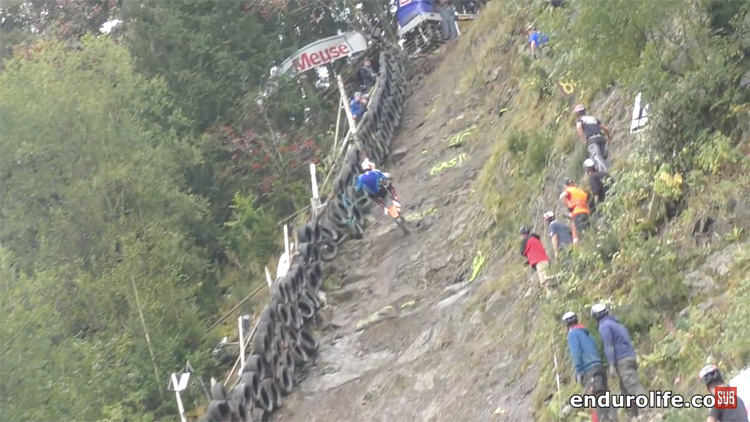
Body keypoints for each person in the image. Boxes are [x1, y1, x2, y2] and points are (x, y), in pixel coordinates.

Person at [591, 303, 647, 419]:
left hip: (622, 359)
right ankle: (633, 417)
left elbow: (609, 345)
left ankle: (649, 410)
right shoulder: (617, 324)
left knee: (632, 385)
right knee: (625, 390)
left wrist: (611, 364)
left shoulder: (604, 326)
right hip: (630, 357)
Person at [562, 312, 615, 422]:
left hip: (589, 371)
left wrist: (578, 370)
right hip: (599, 369)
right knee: (605, 402)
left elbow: (576, 353)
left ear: (567, 325)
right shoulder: (587, 333)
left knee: (597, 406)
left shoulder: (573, 334)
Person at [574, 104, 612, 172]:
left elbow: (579, 128)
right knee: (603, 157)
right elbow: (605, 128)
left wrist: (584, 139)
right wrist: (608, 137)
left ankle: (604, 174)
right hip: (601, 138)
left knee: (596, 157)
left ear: (577, 113)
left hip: (592, 139)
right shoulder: (593, 118)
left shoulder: (580, 120)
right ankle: (606, 171)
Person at [519, 226, 551, 292]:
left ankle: (551, 297)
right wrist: (528, 261)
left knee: (544, 283)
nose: (521, 237)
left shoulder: (526, 240)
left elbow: (522, 252)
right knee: (549, 280)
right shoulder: (535, 239)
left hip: (540, 263)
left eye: (521, 235)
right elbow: (536, 252)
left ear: (524, 234)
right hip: (546, 262)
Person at [559, 178, 590, 242]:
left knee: (580, 233)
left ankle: (584, 247)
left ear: (566, 185)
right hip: (586, 212)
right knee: (588, 230)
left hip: (577, 213)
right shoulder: (580, 191)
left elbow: (562, 196)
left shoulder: (569, 190)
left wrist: (569, 208)